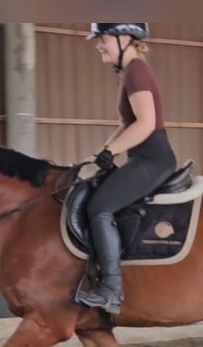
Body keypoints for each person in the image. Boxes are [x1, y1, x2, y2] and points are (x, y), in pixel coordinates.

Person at [75, 23, 177, 315]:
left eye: (102, 38)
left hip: (152, 159)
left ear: (124, 37)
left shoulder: (137, 72)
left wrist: (112, 153)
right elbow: (126, 125)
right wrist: (96, 157)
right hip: (141, 157)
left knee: (99, 207)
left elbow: (146, 122)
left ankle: (110, 289)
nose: (98, 45)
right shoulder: (129, 72)